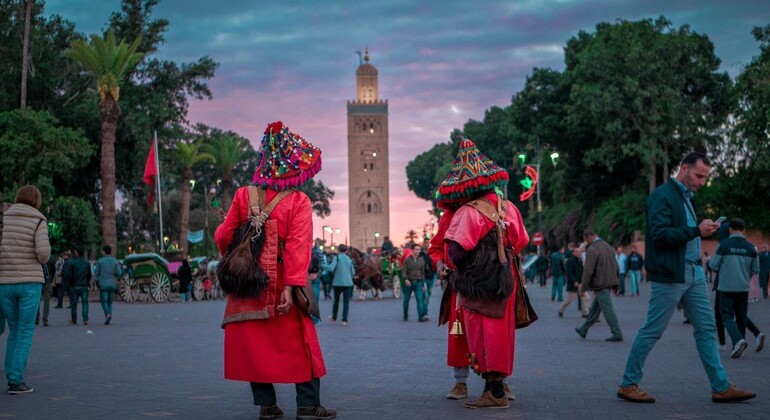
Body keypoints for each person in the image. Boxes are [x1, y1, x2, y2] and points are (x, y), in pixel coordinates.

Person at [214, 121, 334, 419]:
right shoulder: (298, 201)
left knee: (254, 344)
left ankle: (267, 406)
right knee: (301, 343)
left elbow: (223, 237)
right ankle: (307, 405)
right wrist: (293, 287)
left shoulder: (244, 195)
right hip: (282, 285)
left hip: (248, 285)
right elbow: (298, 246)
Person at [617, 152, 755, 404]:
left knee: (706, 328)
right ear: (683, 169)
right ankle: (628, 383)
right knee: (653, 329)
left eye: (705, 177)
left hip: (694, 272)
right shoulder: (662, 196)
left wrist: (703, 229)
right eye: (699, 175)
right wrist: (695, 230)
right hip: (672, 273)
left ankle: (721, 386)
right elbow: (659, 235)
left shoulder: (685, 198)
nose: (702, 182)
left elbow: (683, 233)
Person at [437, 138, 528, 409]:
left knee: (482, 334)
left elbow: (455, 251)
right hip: (506, 279)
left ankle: (495, 393)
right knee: (501, 334)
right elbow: (521, 241)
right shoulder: (508, 207)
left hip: (480, 285)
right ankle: (496, 388)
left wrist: (463, 267)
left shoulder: (469, 211)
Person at [0, 185, 52, 394]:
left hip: (5, 282)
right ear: (37, 200)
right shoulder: (38, 220)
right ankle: (16, 380)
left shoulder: (6, 218)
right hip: (29, 282)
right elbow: (43, 253)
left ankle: (11, 373)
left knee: (13, 330)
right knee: (25, 331)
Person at [708, 218, 760, 359]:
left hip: (725, 287)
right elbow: (756, 269)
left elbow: (713, 265)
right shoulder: (750, 247)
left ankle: (738, 340)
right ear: (743, 230)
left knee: (727, 316)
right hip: (743, 288)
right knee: (741, 317)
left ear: (730, 229)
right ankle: (739, 350)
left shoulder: (724, 245)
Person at [574, 230, 623, 342]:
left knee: (608, 310)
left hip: (600, 284)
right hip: (608, 284)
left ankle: (617, 332)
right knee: (595, 310)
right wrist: (616, 285)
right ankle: (583, 329)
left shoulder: (592, 250)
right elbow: (616, 268)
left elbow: (588, 272)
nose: (586, 242)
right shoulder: (609, 248)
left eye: (586, 240)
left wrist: (583, 288)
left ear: (590, 237)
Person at [63, 245, 92, 326]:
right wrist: (87, 282)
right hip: (84, 285)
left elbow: (70, 275)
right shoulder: (87, 263)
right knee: (85, 303)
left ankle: (74, 319)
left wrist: (71, 284)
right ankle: (85, 319)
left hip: (74, 286)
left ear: (76, 253)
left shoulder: (73, 263)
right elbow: (89, 275)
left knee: (73, 303)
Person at [93, 245, 122, 325]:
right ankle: (109, 315)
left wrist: (94, 280)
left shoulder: (100, 261)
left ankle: (107, 314)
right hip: (112, 283)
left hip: (103, 283)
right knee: (110, 301)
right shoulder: (115, 261)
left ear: (104, 251)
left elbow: (96, 273)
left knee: (103, 301)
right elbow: (119, 273)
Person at [327, 244, 354, 326]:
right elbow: (353, 272)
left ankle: (334, 317)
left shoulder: (337, 258)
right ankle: (344, 319)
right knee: (346, 302)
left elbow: (331, 268)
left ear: (338, 250)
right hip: (348, 283)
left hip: (337, 283)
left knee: (336, 300)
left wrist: (324, 266)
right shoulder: (349, 259)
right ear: (346, 251)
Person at [560, 243, 589, 318]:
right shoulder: (570, 261)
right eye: (577, 252)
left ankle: (585, 313)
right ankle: (561, 310)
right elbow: (569, 273)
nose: (579, 253)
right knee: (569, 299)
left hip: (580, 283)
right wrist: (574, 281)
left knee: (585, 297)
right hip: (573, 284)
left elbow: (582, 271)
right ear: (573, 253)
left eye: (579, 252)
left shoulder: (580, 260)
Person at [402, 244, 428, 322]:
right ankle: (405, 315)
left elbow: (422, 273)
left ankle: (421, 317)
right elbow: (403, 271)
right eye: (416, 249)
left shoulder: (421, 260)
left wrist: (423, 284)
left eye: (419, 249)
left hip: (418, 282)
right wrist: (406, 279)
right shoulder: (407, 260)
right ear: (412, 250)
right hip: (409, 283)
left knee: (419, 299)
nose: (417, 251)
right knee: (406, 299)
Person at [35, 255, 56, 326]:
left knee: (36, 301)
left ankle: (36, 319)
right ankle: (45, 320)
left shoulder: (36, 257)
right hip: (47, 281)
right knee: (47, 302)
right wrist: (50, 279)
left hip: (38, 281)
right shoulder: (51, 258)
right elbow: (53, 271)